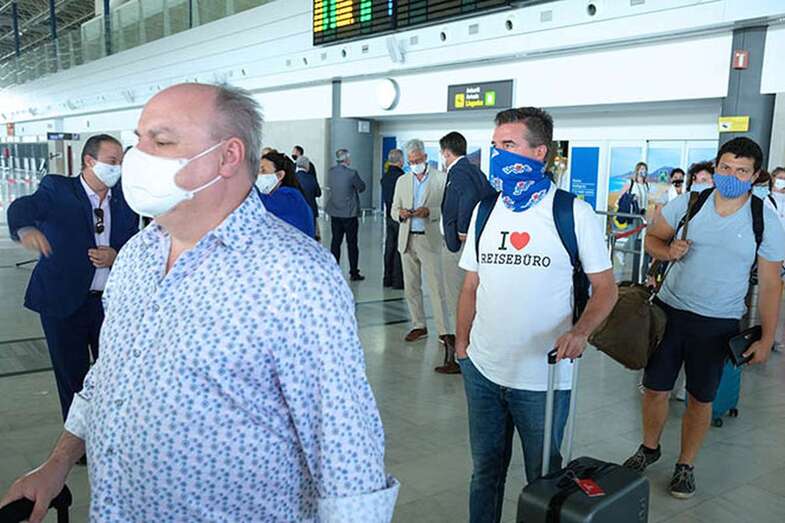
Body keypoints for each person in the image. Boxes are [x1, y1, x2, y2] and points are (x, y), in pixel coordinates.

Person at [0, 83, 398, 523]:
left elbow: (344, 448)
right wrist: (57, 465)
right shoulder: (136, 255)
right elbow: (109, 375)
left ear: (228, 156)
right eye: (139, 140)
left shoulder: (295, 275)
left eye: (161, 141)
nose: (137, 157)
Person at [456, 107, 617, 523]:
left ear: (539, 152)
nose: (497, 155)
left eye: (508, 145)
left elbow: (605, 288)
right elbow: (471, 285)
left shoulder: (573, 213)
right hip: (484, 370)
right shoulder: (486, 210)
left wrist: (581, 331)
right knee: (484, 474)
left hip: (543, 378)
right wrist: (462, 348)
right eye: (495, 146)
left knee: (544, 480)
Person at [623, 137, 785, 500]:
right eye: (725, 167)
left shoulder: (765, 220)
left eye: (741, 171)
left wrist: (766, 338)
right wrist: (668, 250)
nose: (731, 175)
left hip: (718, 322)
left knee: (700, 397)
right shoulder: (691, 202)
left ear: (755, 176)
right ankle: (649, 447)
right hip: (669, 312)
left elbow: (771, 284)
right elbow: (653, 238)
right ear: (715, 167)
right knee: (655, 388)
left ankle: (686, 465)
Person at [6, 134, 139, 422]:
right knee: (72, 378)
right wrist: (26, 229)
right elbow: (22, 207)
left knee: (113, 372)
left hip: (109, 306)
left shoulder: (125, 199)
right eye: (112, 161)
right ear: (89, 161)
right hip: (64, 303)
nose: (118, 168)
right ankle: (77, 437)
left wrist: (116, 255)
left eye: (121, 162)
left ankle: (109, 428)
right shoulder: (58, 189)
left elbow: (136, 241)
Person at [438, 131, 494, 374]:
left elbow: (469, 196)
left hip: (458, 246)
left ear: (446, 152)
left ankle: (463, 354)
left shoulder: (458, 171)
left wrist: (463, 229)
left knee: (458, 298)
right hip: (473, 243)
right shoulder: (474, 170)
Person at [391, 139, 453, 351]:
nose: (414, 164)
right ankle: (419, 325)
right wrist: (400, 214)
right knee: (411, 287)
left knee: (436, 287)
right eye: (411, 162)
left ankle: (444, 331)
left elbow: (447, 209)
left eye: (417, 160)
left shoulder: (440, 179)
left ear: (425, 157)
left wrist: (430, 212)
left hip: (429, 239)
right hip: (407, 239)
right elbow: (393, 209)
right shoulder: (402, 181)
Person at [326, 148, 367, 281]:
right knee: (352, 243)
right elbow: (361, 187)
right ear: (347, 159)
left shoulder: (331, 172)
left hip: (335, 212)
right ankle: (354, 272)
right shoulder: (352, 173)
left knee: (335, 242)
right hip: (349, 214)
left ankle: (334, 269)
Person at [256, 151, 315, 238]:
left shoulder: (288, 197)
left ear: (279, 175)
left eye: (263, 171)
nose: (257, 176)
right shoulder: (292, 195)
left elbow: (255, 200)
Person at [381, 149, 405, 289]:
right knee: (399, 248)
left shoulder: (385, 177)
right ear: (400, 161)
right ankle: (398, 281)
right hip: (399, 216)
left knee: (389, 246)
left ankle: (387, 278)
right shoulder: (402, 178)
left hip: (389, 216)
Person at [294, 155, 322, 240]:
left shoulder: (293, 178)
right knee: (310, 236)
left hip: (296, 210)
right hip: (311, 211)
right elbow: (318, 193)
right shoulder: (311, 178)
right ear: (307, 166)